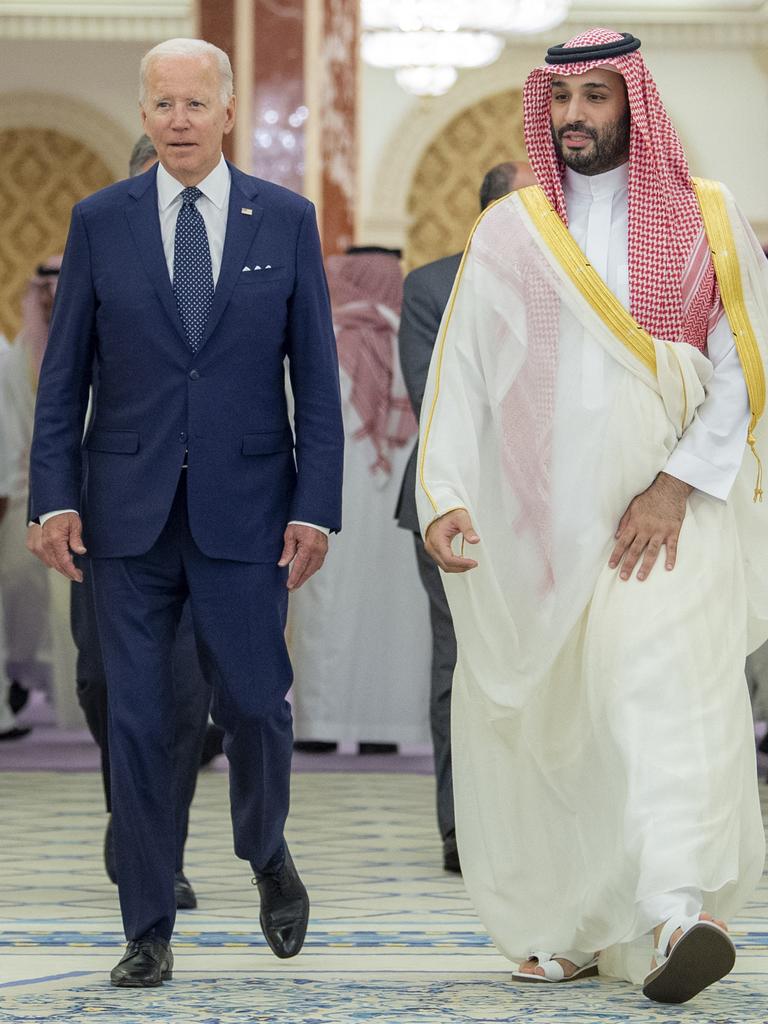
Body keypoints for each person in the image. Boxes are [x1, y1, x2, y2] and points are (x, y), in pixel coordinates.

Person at [417, 27, 768, 1005]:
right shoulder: (513, 228)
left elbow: (745, 377)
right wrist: (445, 493)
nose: (575, 117)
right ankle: (573, 922)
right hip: (548, 527)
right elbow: (465, 380)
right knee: (563, 723)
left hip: (670, 519)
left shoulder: (710, 217)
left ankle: (675, 909)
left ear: (635, 104)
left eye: (597, 98)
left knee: (663, 697)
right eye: (562, 100)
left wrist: (674, 487)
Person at [28, 37, 343, 988]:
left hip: (247, 513)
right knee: (139, 719)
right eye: (161, 105)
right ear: (143, 111)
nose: (176, 121)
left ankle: (266, 850)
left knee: (255, 703)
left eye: (193, 105)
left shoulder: (283, 221)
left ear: (229, 110)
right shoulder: (100, 220)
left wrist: (315, 509)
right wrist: (54, 496)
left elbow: (317, 384)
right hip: (123, 516)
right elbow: (63, 377)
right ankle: (148, 925)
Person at [65, 135, 211, 909]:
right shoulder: (99, 249)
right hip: (107, 517)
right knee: (102, 682)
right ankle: (131, 811)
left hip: (202, 522)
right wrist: (54, 499)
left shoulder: (223, 259)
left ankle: (160, 851)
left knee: (183, 695)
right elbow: (59, 391)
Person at [396, 161, 536, 873]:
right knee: (462, 663)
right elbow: (435, 395)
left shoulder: (573, 283)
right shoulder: (430, 286)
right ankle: (462, 828)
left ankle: (537, 818)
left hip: (551, 510)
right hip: (459, 504)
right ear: (489, 217)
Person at [290, 246, 430, 756]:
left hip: (328, 502)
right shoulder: (412, 339)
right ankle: (382, 729)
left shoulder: (320, 340)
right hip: (396, 503)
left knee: (327, 609)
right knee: (392, 612)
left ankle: (320, 726)